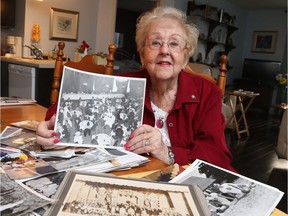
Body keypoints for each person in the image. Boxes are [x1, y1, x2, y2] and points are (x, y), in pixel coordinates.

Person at [36, 6, 235, 172]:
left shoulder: (207, 92)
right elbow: (66, 110)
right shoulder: (124, 85)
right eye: (155, 42)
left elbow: (217, 157)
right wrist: (51, 128)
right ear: (142, 55)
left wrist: (166, 152)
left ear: (185, 56)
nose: (164, 50)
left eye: (174, 43)